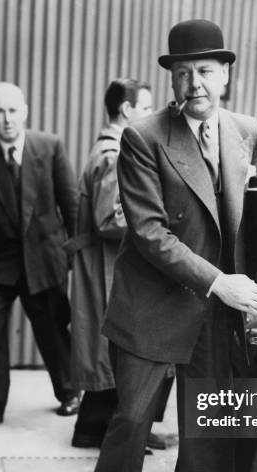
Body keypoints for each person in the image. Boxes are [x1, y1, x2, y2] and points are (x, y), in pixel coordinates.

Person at [72, 19, 257, 472]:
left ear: (226, 74)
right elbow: (148, 232)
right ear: (172, 78)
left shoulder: (247, 130)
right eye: (184, 73)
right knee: (132, 421)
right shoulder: (144, 136)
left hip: (219, 308)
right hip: (155, 305)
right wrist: (221, 283)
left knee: (208, 425)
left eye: (206, 72)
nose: (195, 85)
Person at [0, 81, 81, 430]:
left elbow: (69, 202)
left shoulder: (49, 146)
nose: (7, 118)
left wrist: (74, 252)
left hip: (43, 257)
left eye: (13, 110)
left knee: (53, 328)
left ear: (24, 111)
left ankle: (71, 392)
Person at [68, 78, 169, 451]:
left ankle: (112, 428)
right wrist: (157, 222)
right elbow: (109, 219)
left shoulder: (108, 149)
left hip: (104, 265)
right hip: (106, 267)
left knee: (110, 349)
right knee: (114, 348)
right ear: (126, 110)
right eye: (145, 108)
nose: (150, 115)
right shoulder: (114, 155)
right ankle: (106, 432)